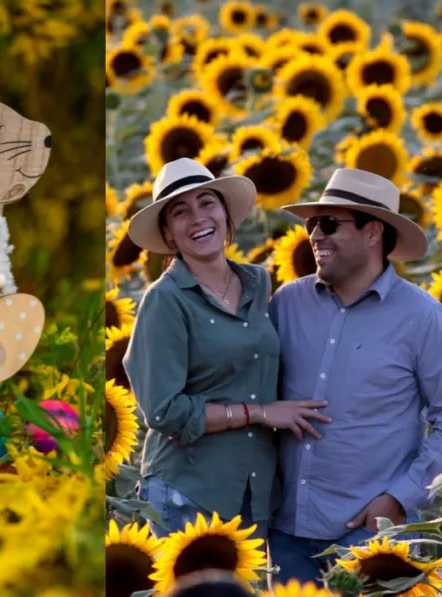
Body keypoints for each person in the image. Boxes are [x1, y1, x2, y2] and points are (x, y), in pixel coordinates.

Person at [122, 158, 331, 540]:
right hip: (188, 491)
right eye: (180, 212)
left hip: (255, 492)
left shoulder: (258, 284)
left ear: (225, 212)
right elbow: (164, 411)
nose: (198, 218)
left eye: (207, 203)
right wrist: (260, 412)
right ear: (168, 233)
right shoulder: (165, 301)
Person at [267, 168, 442, 583]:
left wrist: (399, 499)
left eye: (330, 223)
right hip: (284, 535)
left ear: (373, 232)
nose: (315, 235)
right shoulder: (287, 303)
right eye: (314, 224)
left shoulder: (422, 318)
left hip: (369, 537)